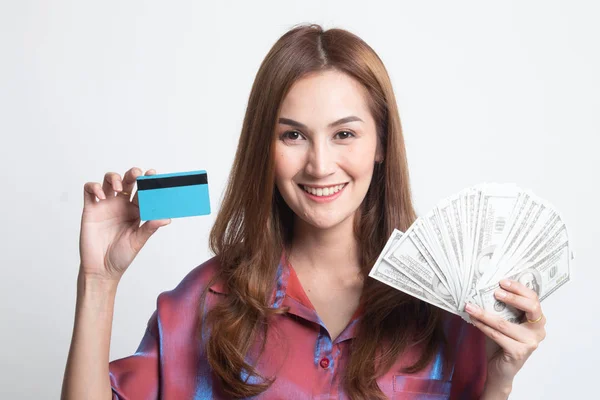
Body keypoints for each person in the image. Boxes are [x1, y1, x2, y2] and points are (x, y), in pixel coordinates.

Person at [61, 24, 547, 400]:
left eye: (344, 134)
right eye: (292, 135)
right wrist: (98, 282)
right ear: (264, 147)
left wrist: (498, 383)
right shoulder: (205, 302)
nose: (319, 165)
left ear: (380, 144)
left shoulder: (446, 308)